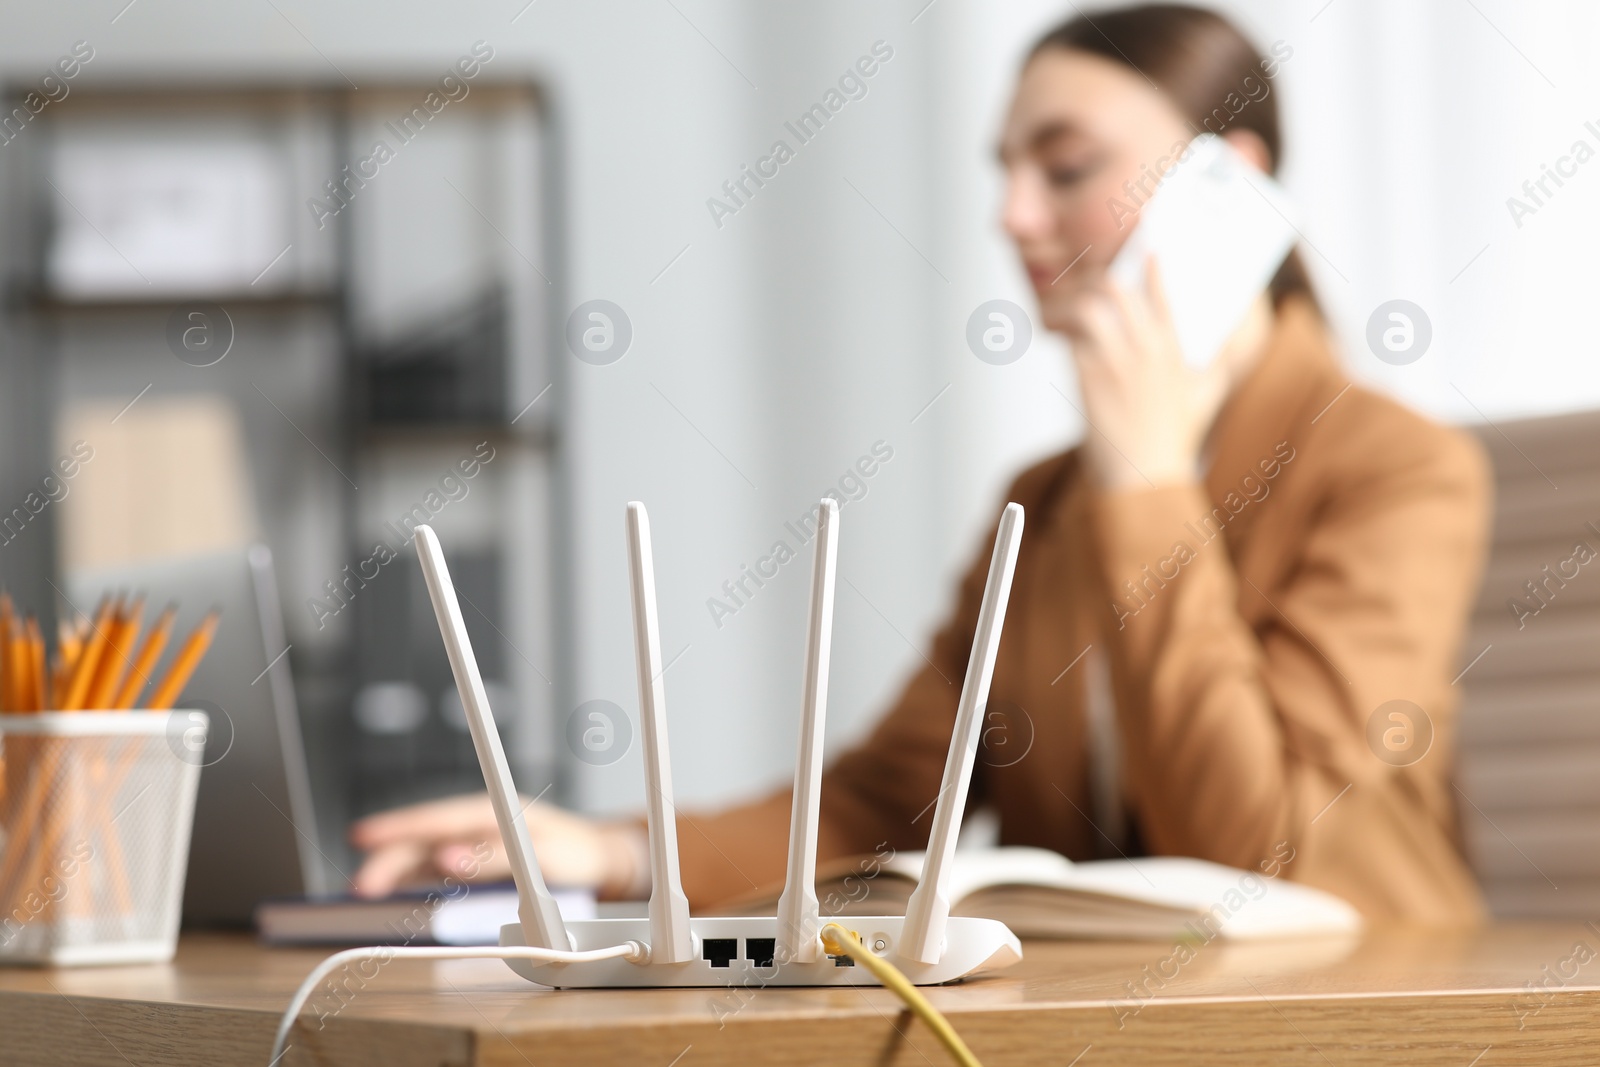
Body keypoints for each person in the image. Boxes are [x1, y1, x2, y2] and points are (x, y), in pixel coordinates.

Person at [351, 3, 1489, 923]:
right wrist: (609, 849)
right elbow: (883, 801)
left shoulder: (1398, 469)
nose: (1011, 213)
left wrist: (1146, 487)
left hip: (1363, 1013)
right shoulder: (1044, 502)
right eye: (1003, 168)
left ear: (1228, 183)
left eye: (1066, 165)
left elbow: (1268, 853)